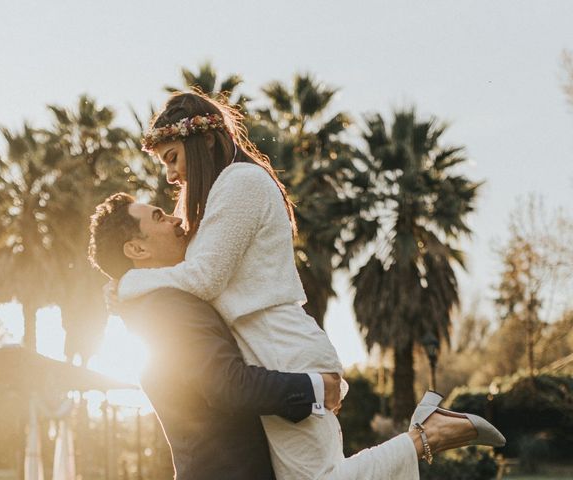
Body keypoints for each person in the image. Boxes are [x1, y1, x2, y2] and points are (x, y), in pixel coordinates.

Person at [111, 91, 505, 479]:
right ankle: (427, 433)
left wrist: (129, 282)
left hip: (281, 345)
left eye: (173, 158)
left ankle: (427, 436)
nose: (170, 175)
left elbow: (203, 278)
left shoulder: (241, 182)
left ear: (207, 141)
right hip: (265, 352)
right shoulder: (220, 197)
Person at [89, 193, 343, 480]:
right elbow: (229, 385)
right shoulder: (168, 309)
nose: (176, 219)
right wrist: (317, 389)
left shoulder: (152, 303)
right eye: (159, 217)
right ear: (136, 249)